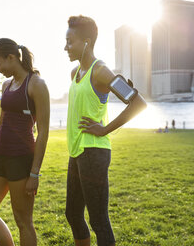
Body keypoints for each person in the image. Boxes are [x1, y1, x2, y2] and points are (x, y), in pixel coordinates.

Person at [64, 15, 147, 246]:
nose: (65, 47)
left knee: (99, 220)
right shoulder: (75, 73)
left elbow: (138, 103)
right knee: (72, 214)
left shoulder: (101, 71)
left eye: (70, 42)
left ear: (86, 42)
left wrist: (105, 129)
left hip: (94, 152)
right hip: (77, 151)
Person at [0, 38, 50, 246]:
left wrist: (34, 173)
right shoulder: (7, 85)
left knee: (23, 220)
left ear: (11, 58)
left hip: (22, 159)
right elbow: (1, 125)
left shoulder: (37, 84)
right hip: (0, 158)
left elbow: (43, 132)